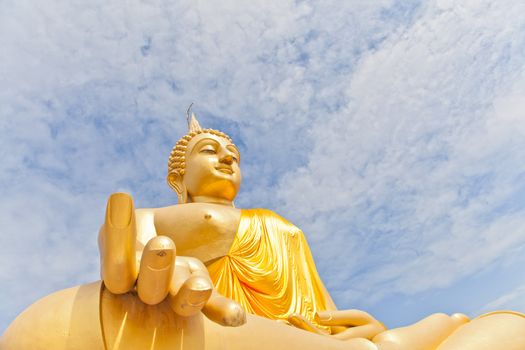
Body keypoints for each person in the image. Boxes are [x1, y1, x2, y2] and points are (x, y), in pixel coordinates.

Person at [2, 113, 525, 350]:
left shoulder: (271, 223)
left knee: (479, 324)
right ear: (177, 177)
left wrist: (349, 325)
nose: (227, 157)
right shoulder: (167, 217)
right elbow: (129, 247)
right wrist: (133, 257)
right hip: (216, 327)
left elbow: (311, 304)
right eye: (211, 150)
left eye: (233, 153)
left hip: (301, 335)